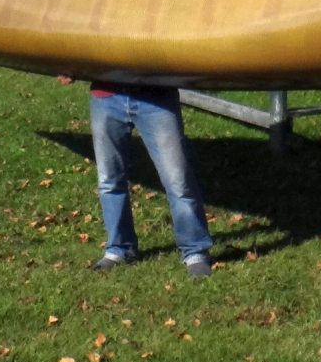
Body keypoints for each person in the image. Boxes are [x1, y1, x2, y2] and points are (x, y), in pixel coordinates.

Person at [58, 77, 214, 278]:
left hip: (157, 97)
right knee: (109, 179)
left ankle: (195, 252)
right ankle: (119, 249)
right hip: (107, 96)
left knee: (178, 180)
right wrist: (70, 66)